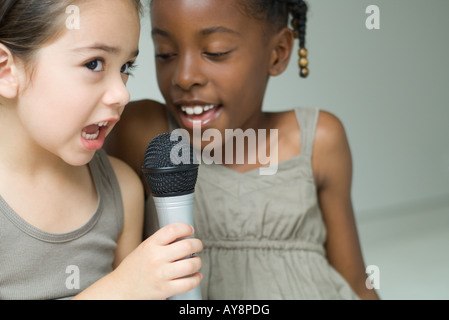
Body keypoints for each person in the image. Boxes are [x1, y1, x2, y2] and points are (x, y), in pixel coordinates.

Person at [105, 0, 380, 300]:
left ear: (278, 53)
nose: (184, 77)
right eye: (166, 53)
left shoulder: (319, 140)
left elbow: (355, 280)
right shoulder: (144, 133)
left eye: (216, 51)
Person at [0, 0, 202, 300]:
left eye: (125, 67)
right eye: (93, 63)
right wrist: (119, 289)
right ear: (6, 71)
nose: (122, 93)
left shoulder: (122, 190)